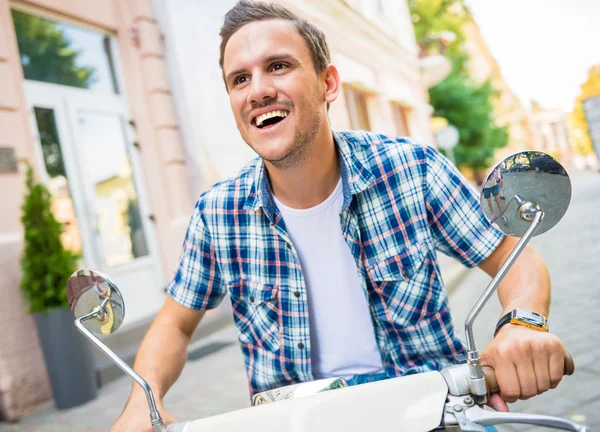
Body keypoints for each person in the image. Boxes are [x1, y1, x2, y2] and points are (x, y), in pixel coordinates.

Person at [111, 2, 567, 431]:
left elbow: (514, 258)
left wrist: (521, 325)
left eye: (278, 66)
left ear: (328, 84)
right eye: (239, 79)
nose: (258, 90)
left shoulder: (413, 170)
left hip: (429, 417)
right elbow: (174, 322)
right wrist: (140, 401)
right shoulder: (218, 215)